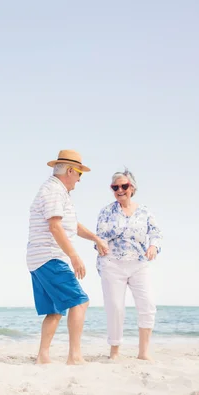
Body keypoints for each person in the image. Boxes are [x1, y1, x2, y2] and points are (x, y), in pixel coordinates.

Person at [26, 150, 109, 365]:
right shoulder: (54, 191)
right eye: (80, 174)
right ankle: (75, 357)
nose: (80, 180)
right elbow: (55, 227)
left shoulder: (57, 191)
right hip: (50, 256)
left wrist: (95, 238)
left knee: (54, 310)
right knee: (81, 302)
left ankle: (43, 357)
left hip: (39, 258)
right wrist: (74, 256)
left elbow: (71, 226)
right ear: (70, 171)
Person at [95, 168, 162, 361]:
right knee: (115, 308)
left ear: (132, 188)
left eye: (124, 186)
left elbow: (156, 233)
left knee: (148, 304)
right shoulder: (107, 211)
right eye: (115, 187)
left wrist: (153, 247)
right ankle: (114, 351)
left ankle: (143, 353)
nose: (119, 190)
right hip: (112, 264)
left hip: (139, 264)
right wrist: (101, 245)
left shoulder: (145, 211)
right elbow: (100, 237)